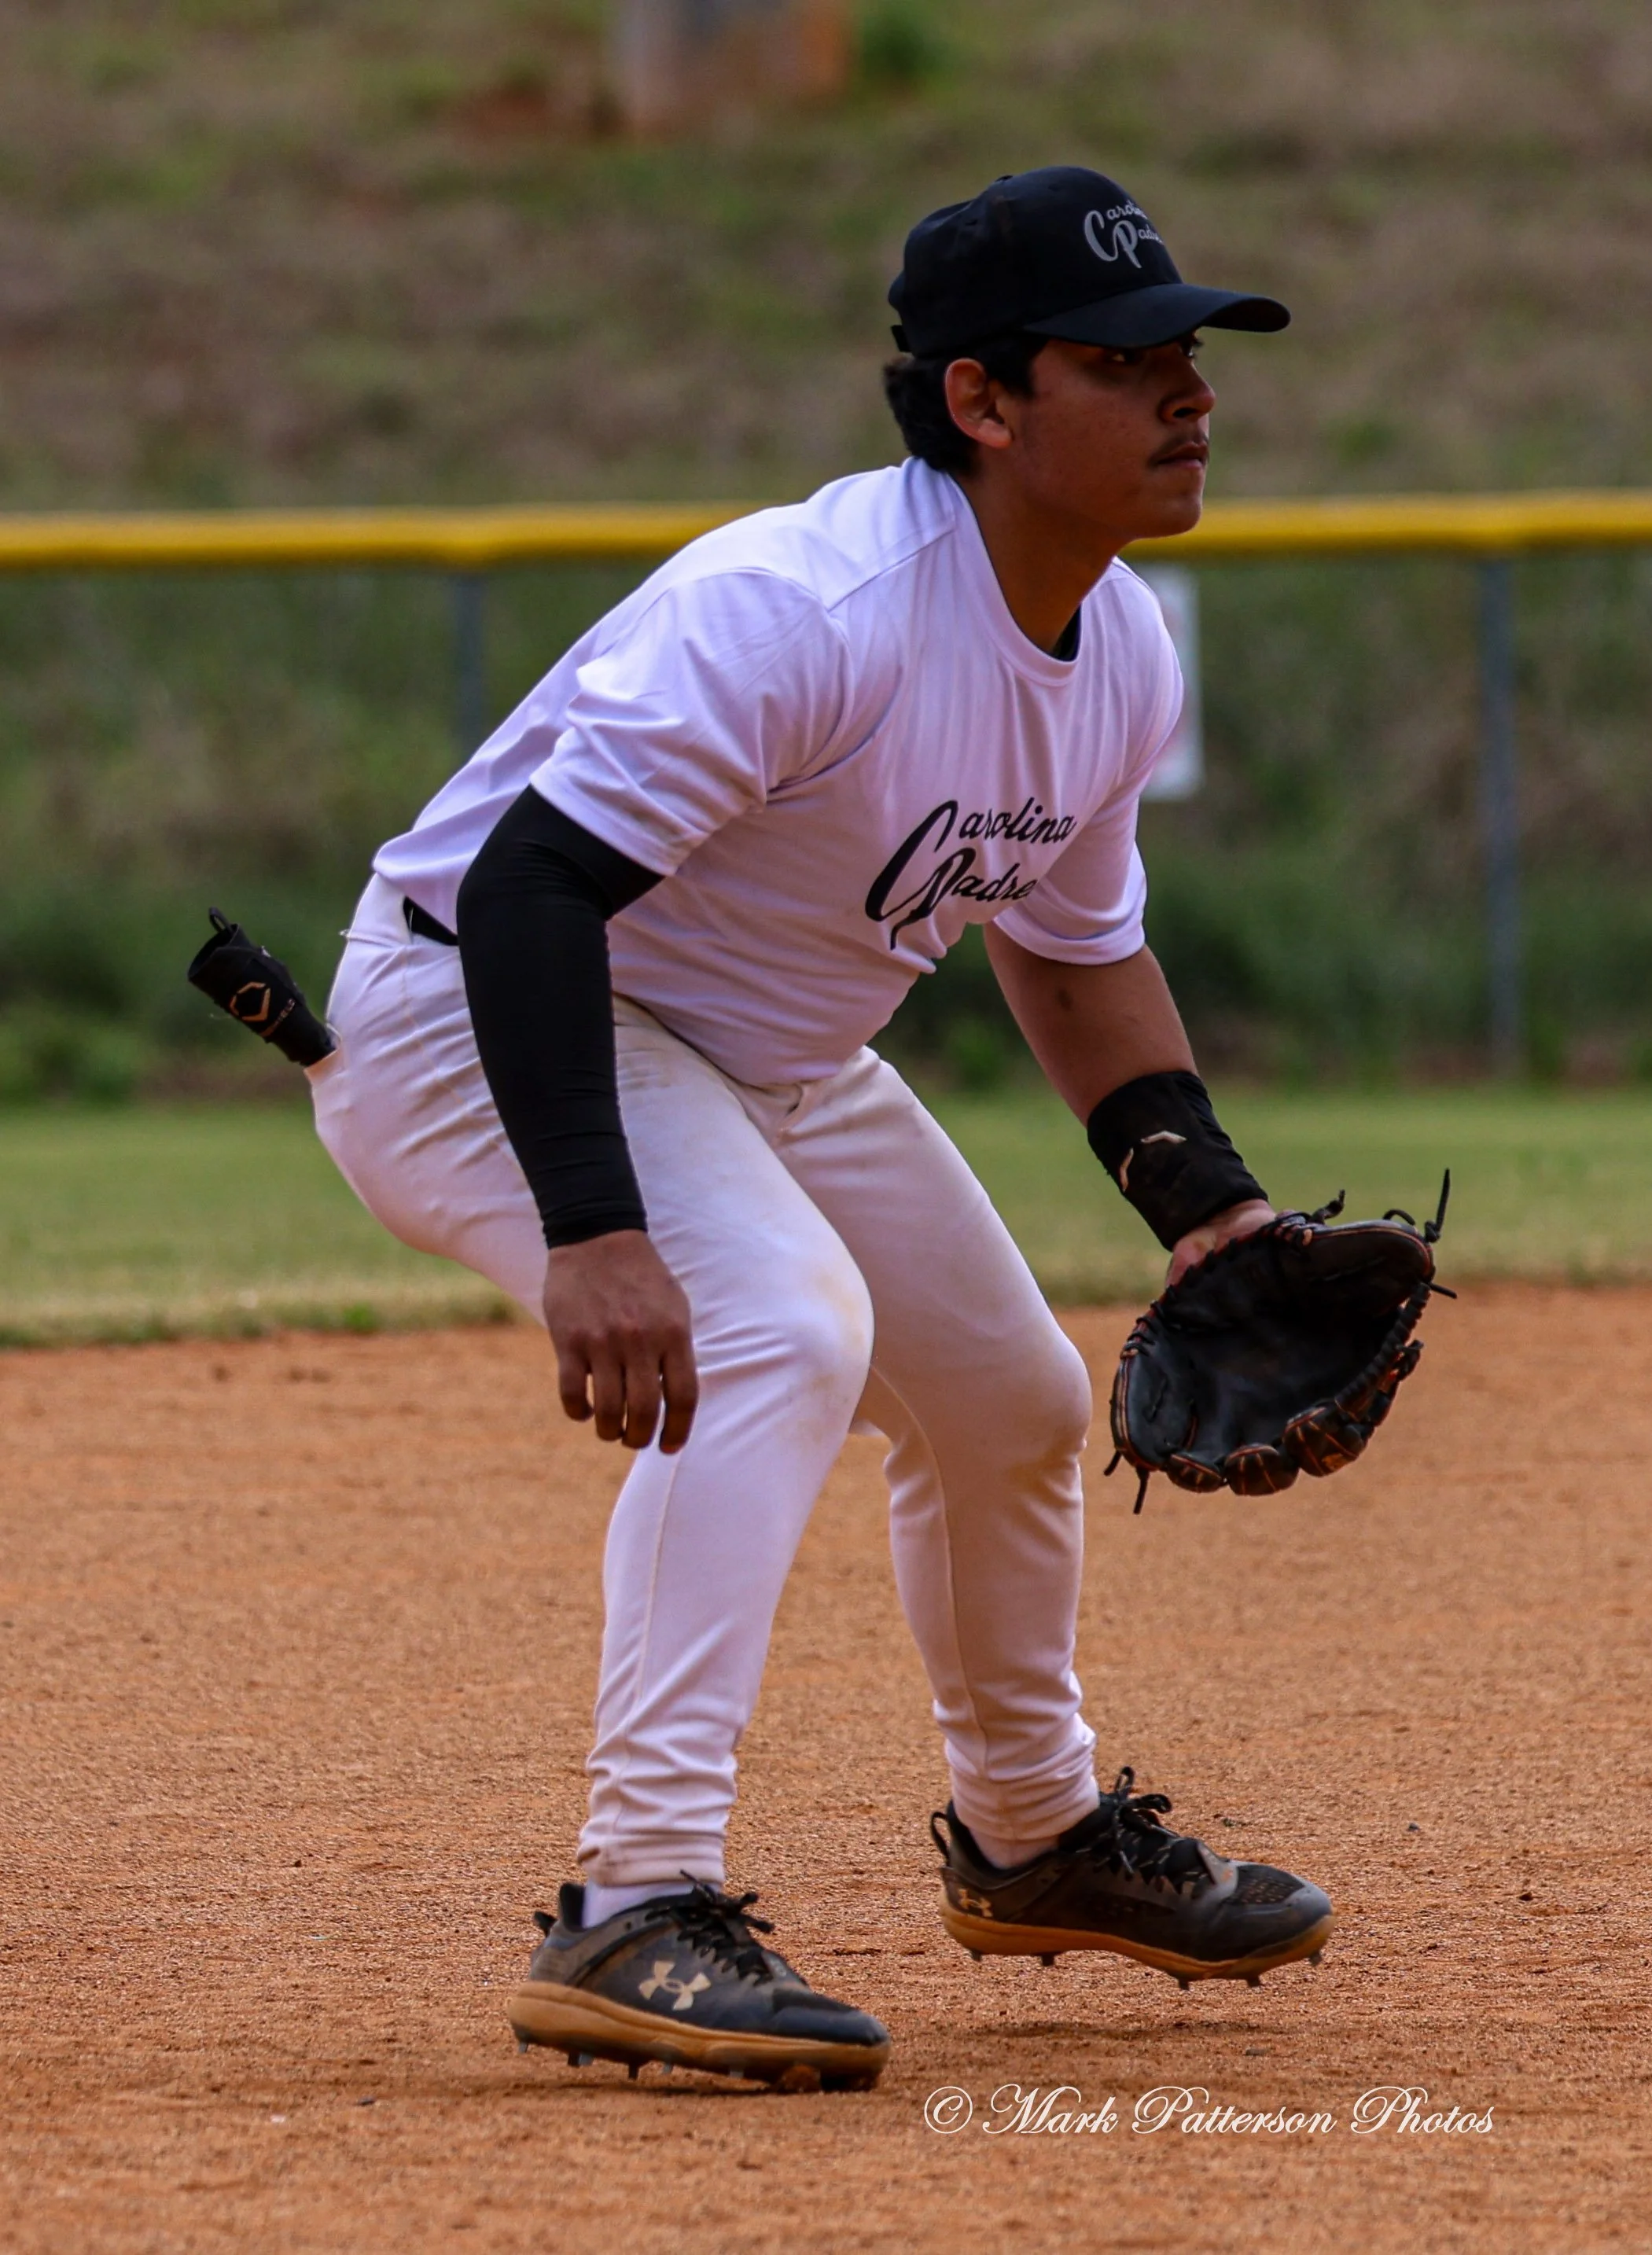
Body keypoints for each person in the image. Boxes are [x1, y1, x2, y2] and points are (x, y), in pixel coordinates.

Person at [311, 164, 1332, 2092]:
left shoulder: (1119, 649)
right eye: (1127, 358)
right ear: (983, 401)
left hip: (752, 1052)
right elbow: (533, 893)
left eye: (1191, 350)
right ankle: (635, 1896)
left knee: (1012, 1401)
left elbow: (1077, 954)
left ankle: (1033, 1840)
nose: (1188, 391)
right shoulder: (812, 607)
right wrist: (599, 1229)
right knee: (779, 1322)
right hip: (470, 1007)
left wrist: (1208, 1213)